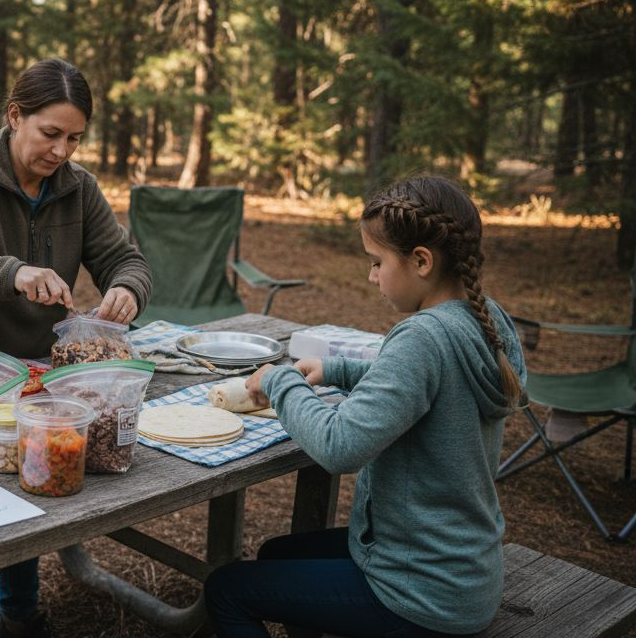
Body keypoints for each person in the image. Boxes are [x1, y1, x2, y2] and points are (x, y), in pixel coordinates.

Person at [205, 175, 527, 638]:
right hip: (463, 569)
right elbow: (430, 387)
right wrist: (337, 370)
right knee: (278, 554)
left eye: (376, 263)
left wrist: (279, 380)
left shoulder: (421, 337)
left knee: (225, 590)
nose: (371, 276)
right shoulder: (485, 317)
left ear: (420, 261)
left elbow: (339, 446)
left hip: (420, 592)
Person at [0, 58, 152, 638]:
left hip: (34, 378)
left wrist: (125, 289)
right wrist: (13, 273)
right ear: (15, 117)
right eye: (50, 134)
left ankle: (20, 615)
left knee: (31, 481)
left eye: (75, 138)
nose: (62, 151)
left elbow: (126, 259)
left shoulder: (78, 190)